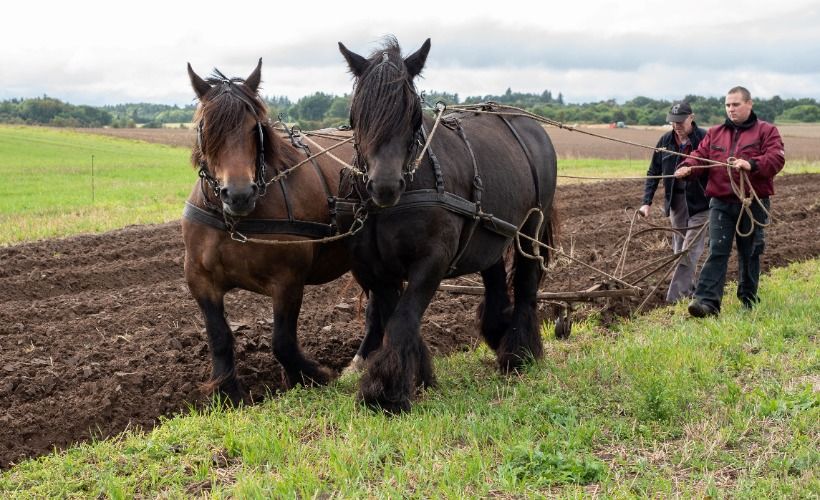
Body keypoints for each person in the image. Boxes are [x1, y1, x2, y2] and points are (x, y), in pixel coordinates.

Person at [675, 86, 785, 317]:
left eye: (736, 104)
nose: (731, 109)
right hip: (721, 202)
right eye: (727, 105)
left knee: (750, 252)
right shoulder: (715, 133)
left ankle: (748, 299)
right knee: (717, 250)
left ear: (749, 104)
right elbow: (700, 156)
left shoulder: (767, 131)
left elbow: (776, 158)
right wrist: (687, 167)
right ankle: (706, 303)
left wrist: (752, 164)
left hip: (753, 202)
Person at [639, 101, 709, 303]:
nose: (676, 125)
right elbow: (654, 172)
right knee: (679, 250)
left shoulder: (704, 138)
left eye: (680, 121)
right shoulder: (665, 141)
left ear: (691, 118)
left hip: (701, 202)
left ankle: (673, 299)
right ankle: (690, 289)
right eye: (673, 122)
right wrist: (647, 202)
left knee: (689, 250)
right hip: (676, 202)